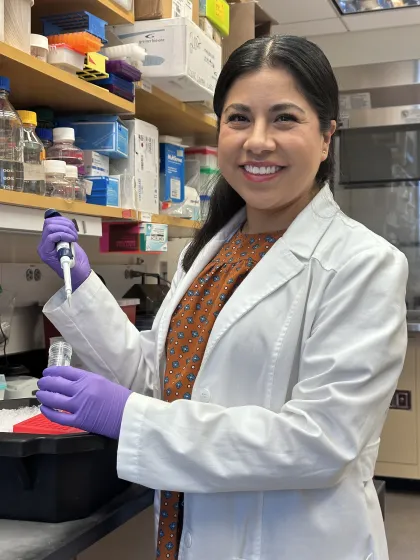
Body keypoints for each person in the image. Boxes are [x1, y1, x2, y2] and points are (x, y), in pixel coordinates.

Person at [37, 35, 408, 560]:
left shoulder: (364, 264)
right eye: (239, 118)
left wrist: (131, 419)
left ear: (327, 137)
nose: (257, 141)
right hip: (192, 533)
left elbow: (320, 442)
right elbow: (166, 380)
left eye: (284, 119)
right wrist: (80, 284)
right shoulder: (211, 252)